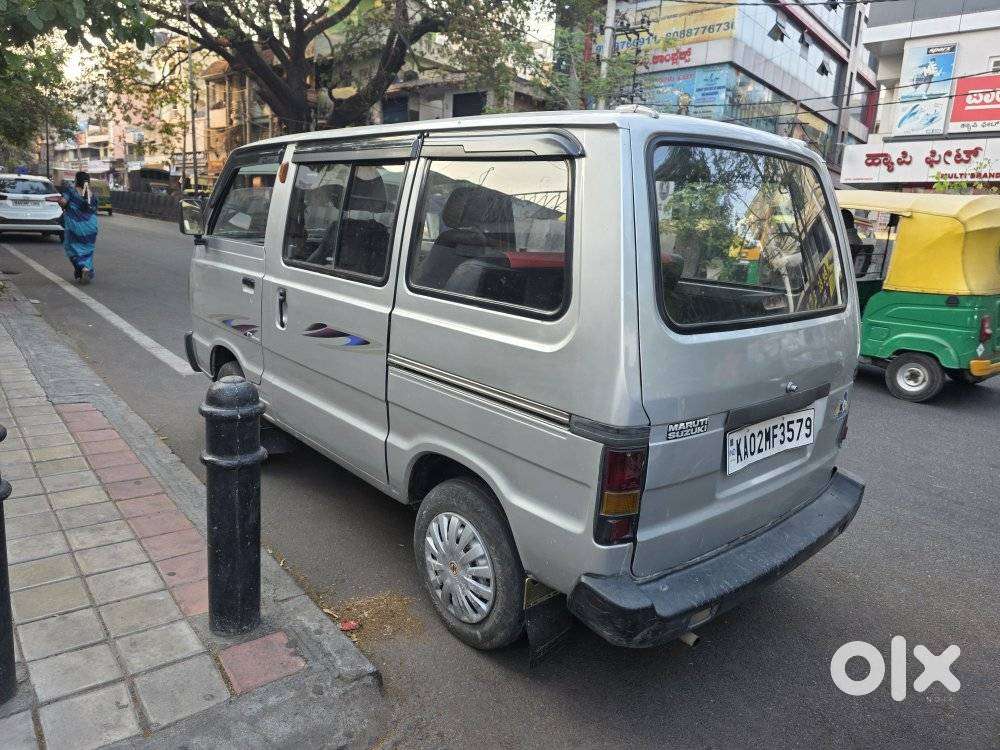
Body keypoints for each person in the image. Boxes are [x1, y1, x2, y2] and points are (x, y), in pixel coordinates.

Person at [48, 171, 99, 283]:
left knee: (71, 248)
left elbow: (63, 202)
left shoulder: (70, 191)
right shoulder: (92, 195)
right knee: (87, 250)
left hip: (75, 226)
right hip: (91, 226)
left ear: (76, 180)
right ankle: (84, 269)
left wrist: (59, 200)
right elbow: (93, 209)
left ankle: (83, 268)